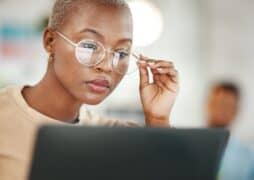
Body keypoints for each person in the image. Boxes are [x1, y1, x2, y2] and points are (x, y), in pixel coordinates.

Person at [0, 0, 179, 180]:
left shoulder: (120, 138)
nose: (108, 66)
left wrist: (158, 119)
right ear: (50, 41)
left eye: (121, 53)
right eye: (90, 46)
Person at [206, 82, 254, 180]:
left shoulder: (248, 157)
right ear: (209, 105)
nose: (221, 110)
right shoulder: (191, 147)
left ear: (236, 111)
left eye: (228, 106)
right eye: (218, 103)